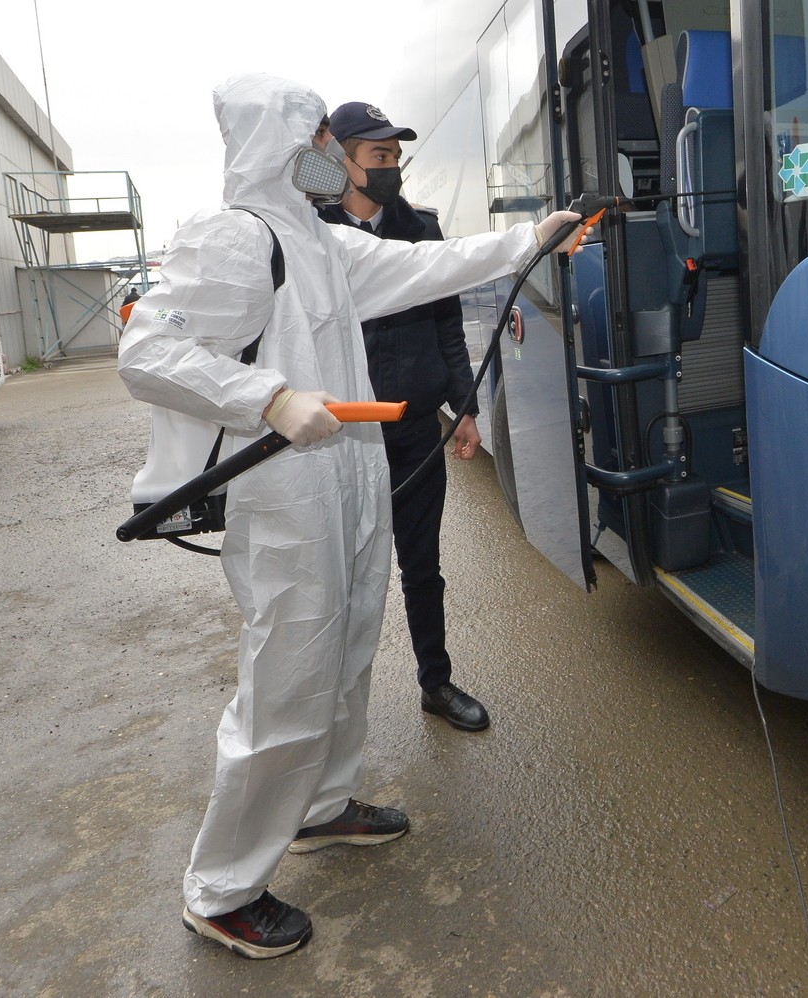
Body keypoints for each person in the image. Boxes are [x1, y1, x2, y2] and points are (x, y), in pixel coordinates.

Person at [117, 73, 584, 960]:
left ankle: (324, 805)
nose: (336, 154)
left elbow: (423, 266)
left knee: (348, 649)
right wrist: (265, 395)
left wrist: (532, 237)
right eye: (321, 137)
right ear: (278, 146)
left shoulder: (320, 241)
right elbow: (149, 350)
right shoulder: (236, 238)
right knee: (286, 681)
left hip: (350, 479)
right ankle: (221, 888)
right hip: (285, 494)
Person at [315, 101, 490, 733]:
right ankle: (326, 699)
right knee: (337, 575)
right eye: (378, 157)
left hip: (413, 429)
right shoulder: (309, 237)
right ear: (343, 160)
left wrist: (463, 407)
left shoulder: (421, 229)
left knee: (423, 565)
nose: (391, 168)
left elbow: (448, 325)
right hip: (335, 438)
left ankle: (436, 684)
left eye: (395, 157)